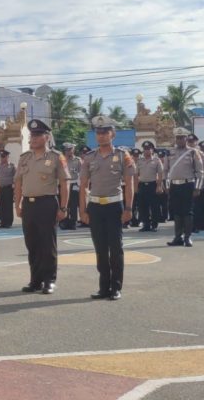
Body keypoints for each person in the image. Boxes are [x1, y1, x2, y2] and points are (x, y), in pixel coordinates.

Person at [79, 116, 136, 301]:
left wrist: (128, 208)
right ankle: (103, 287)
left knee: (116, 248)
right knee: (100, 248)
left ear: (113, 134)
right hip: (95, 206)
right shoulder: (89, 157)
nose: (101, 136)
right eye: (99, 132)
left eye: (105, 132)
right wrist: (83, 210)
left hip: (114, 206)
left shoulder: (122, 155)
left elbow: (129, 183)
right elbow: (83, 186)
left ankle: (116, 287)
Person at [15, 119, 70, 294]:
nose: (33, 138)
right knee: (32, 244)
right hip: (28, 204)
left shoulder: (55, 157)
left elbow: (64, 182)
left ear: (46, 137)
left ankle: (49, 280)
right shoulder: (24, 158)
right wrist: (17, 204)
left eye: (38, 135)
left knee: (48, 244)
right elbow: (18, 183)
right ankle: (35, 280)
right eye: (32, 135)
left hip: (47, 203)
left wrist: (63, 207)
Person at [166, 128, 204, 247]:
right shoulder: (170, 152)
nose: (179, 140)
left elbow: (200, 171)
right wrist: (167, 186)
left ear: (186, 138)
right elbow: (166, 170)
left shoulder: (193, 152)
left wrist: (197, 188)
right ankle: (178, 237)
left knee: (187, 212)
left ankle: (187, 237)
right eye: (177, 137)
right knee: (176, 212)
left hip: (188, 185)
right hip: (174, 185)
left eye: (182, 137)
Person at [135, 141, 164, 232]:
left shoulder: (156, 160)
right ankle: (146, 224)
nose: (146, 151)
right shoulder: (139, 161)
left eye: (148, 149)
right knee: (143, 206)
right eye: (145, 149)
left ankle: (154, 225)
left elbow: (160, 174)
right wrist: (135, 187)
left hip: (152, 185)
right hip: (142, 185)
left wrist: (159, 186)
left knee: (154, 206)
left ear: (152, 150)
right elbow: (136, 174)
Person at [60, 143, 81, 230]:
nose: (69, 152)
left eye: (70, 150)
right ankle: (64, 221)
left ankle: (73, 222)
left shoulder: (78, 160)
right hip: (64, 184)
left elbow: (82, 172)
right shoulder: (61, 160)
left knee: (73, 204)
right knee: (64, 203)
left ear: (73, 150)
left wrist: (79, 185)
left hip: (74, 183)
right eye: (67, 150)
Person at [0, 149, 15, 228]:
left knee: (8, 206)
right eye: (1, 157)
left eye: (4, 157)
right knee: (0, 206)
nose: (2, 158)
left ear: (7, 157)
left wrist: (14, 187)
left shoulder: (12, 166)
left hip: (8, 188)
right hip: (0, 188)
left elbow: (16, 177)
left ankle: (8, 222)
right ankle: (2, 222)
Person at [157, 149, 170, 222]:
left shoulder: (167, 163)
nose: (161, 158)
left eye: (162, 156)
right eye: (159, 156)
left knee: (165, 201)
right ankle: (158, 216)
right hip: (158, 182)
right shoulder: (156, 162)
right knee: (158, 201)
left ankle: (165, 216)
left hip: (165, 181)